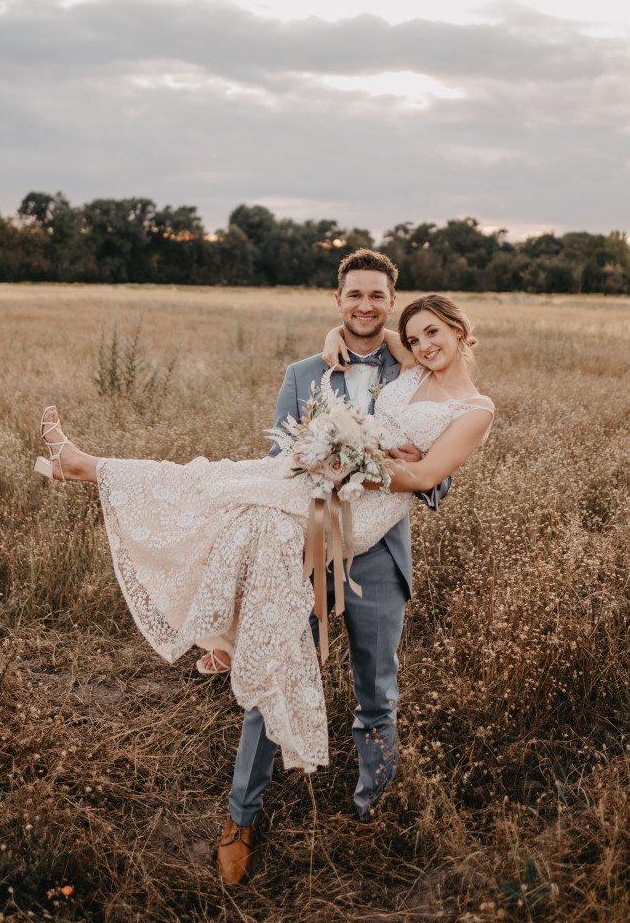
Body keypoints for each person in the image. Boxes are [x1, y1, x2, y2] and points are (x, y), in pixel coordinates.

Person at [35, 263, 494, 884]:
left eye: (378, 298)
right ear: (338, 301)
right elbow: (287, 451)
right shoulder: (308, 372)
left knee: (376, 691)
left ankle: (372, 811)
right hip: (298, 531)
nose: (417, 340)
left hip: (376, 547)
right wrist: (338, 389)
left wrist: (370, 454)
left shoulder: (413, 365)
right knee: (219, 494)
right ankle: (240, 816)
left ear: (398, 306)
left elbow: (430, 472)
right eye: (353, 296)